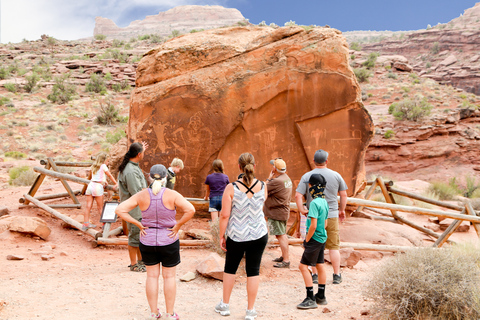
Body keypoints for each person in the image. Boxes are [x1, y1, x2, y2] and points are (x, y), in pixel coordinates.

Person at [115, 164, 195, 320]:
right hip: (169, 239)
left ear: (149, 177)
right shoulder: (172, 194)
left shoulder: (142, 195)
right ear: (166, 177)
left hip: (148, 239)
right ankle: (170, 313)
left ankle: (153, 313)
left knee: (151, 277)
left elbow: (119, 209)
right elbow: (190, 209)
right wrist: (177, 225)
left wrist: (138, 224)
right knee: (169, 277)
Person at [215, 153, 268, 320]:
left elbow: (224, 215)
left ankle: (225, 305)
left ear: (239, 167)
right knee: (253, 270)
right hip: (259, 233)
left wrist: (221, 235)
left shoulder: (231, 188)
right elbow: (260, 206)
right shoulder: (263, 186)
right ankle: (250, 311)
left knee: (230, 269)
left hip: (238, 234)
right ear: (254, 165)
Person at [295, 149, 348, 284]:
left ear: (313, 161)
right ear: (326, 161)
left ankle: (315, 275)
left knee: (314, 244)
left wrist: (302, 209)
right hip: (331, 213)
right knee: (334, 246)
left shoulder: (307, 176)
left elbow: (298, 195)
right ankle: (336, 275)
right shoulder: (336, 175)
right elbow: (343, 195)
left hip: (314, 215)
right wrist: (341, 210)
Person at [297, 173, 329, 309]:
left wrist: (307, 240)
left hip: (314, 238)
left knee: (303, 266)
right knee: (319, 264)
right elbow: (325, 223)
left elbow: (313, 225)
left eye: (309, 185)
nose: (309, 188)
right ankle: (321, 296)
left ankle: (310, 298)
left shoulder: (314, 203)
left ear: (312, 187)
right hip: (322, 237)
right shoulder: (324, 201)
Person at [118, 142, 148, 272]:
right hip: (134, 210)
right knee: (134, 236)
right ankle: (133, 263)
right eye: (143, 153)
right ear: (139, 154)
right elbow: (137, 192)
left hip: (138, 209)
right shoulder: (130, 171)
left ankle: (141, 262)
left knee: (140, 236)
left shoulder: (133, 166)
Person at [263, 158, 292, 268]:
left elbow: (262, 187)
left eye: (273, 166)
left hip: (277, 212)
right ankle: (284, 256)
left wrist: (269, 178)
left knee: (281, 235)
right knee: (281, 234)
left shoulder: (276, 181)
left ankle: (286, 260)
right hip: (283, 211)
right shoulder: (286, 179)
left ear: (274, 168)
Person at [83, 152, 117, 231]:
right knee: (100, 207)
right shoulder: (103, 166)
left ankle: (86, 223)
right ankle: (104, 225)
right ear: (104, 160)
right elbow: (109, 175)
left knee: (88, 206)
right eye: (107, 161)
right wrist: (116, 183)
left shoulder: (94, 165)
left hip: (91, 185)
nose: (108, 163)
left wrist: (103, 181)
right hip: (98, 187)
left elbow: (96, 176)